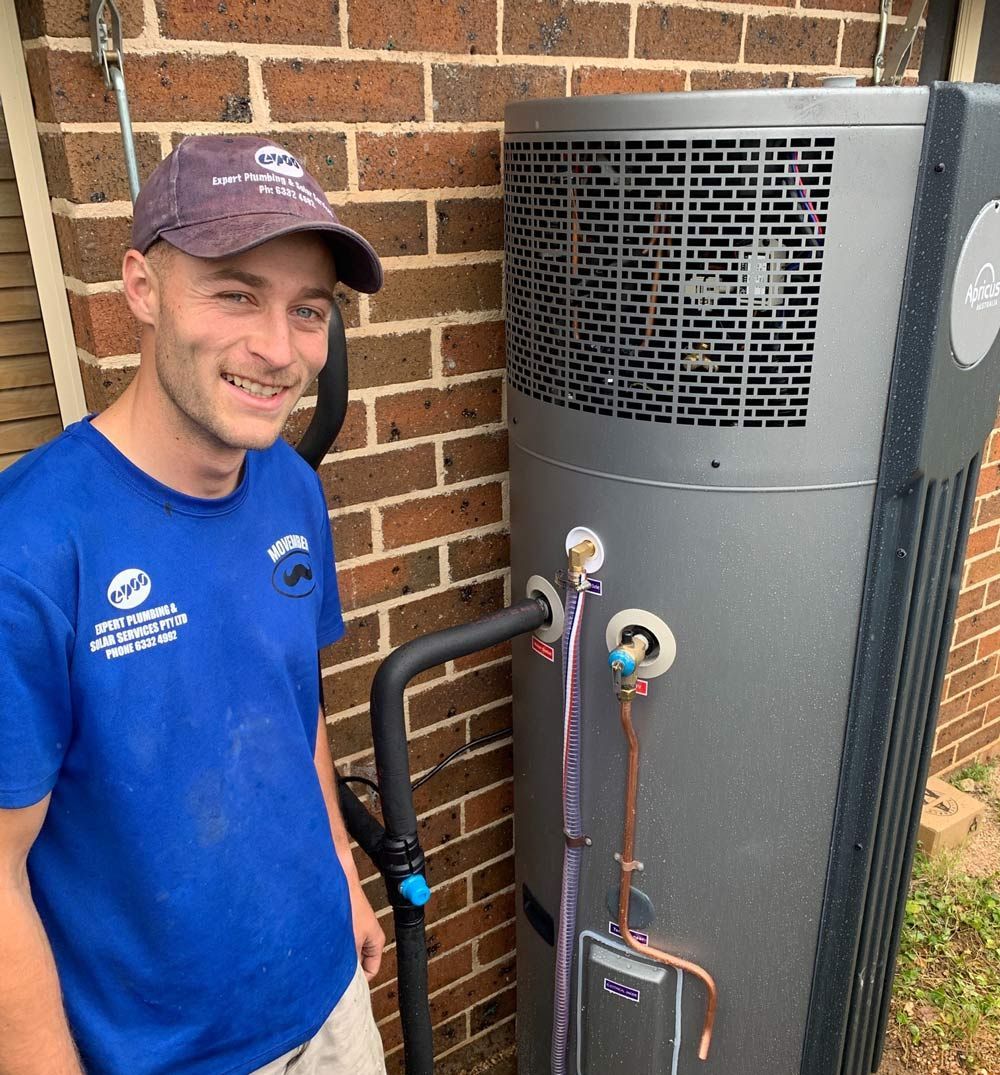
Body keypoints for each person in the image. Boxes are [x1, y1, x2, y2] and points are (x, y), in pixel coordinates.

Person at [0, 136, 389, 1075]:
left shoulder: (291, 487)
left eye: (308, 309)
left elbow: (295, 701)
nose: (279, 349)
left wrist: (341, 867)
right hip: (161, 1052)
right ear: (142, 287)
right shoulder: (31, 548)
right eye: (235, 293)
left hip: (329, 1001)